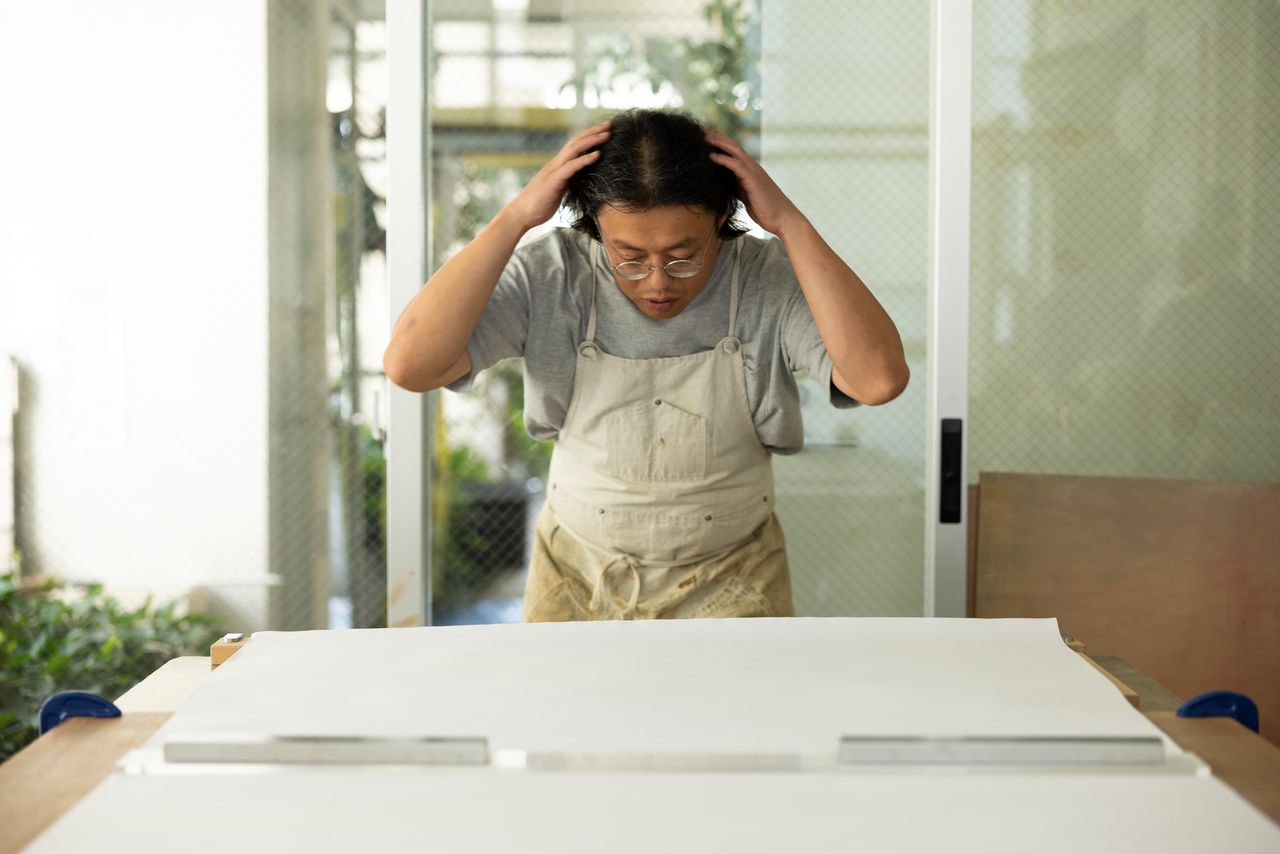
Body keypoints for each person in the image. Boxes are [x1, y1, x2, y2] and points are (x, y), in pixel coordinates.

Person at [384, 109, 908, 621]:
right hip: (577, 577)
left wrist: (789, 224)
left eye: (684, 255)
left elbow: (878, 379)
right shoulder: (554, 273)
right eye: (629, 257)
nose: (657, 282)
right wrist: (516, 217)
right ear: (593, 228)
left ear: (723, 216)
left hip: (735, 578)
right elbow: (410, 365)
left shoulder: (763, 278)